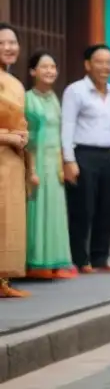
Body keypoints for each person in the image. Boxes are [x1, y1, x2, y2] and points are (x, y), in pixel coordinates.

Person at [61, 44, 110, 274]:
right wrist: (69, 159)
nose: (105, 67)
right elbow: (67, 125)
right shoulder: (75, 91)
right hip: (84, 154)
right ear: (88, 64)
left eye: (109, 62)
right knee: (83, 209)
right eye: (100, 62)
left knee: (108, 209)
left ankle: (101, 258)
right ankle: (80, 259)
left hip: (108, 155)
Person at [25, 52, 75, 279]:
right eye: (44, 67)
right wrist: (31, 169)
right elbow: (28, 137)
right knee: (38, 209)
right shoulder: (27, 98)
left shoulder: (54, 98)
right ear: (32, 71)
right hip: (36, 162)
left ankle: (54, 261)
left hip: (54, 163)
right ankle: (36, 263)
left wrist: (65, 162)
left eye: (53, 66)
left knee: (55, 211)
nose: (50, 71)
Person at [0, 23, 29, 298]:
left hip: (12, 160)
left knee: (9, 218)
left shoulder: (16, 84)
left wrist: (22, 136)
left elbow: (20, 121)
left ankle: (3, 280)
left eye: (12, 42)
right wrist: (8, 138)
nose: (8, 48)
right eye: (2, 43)